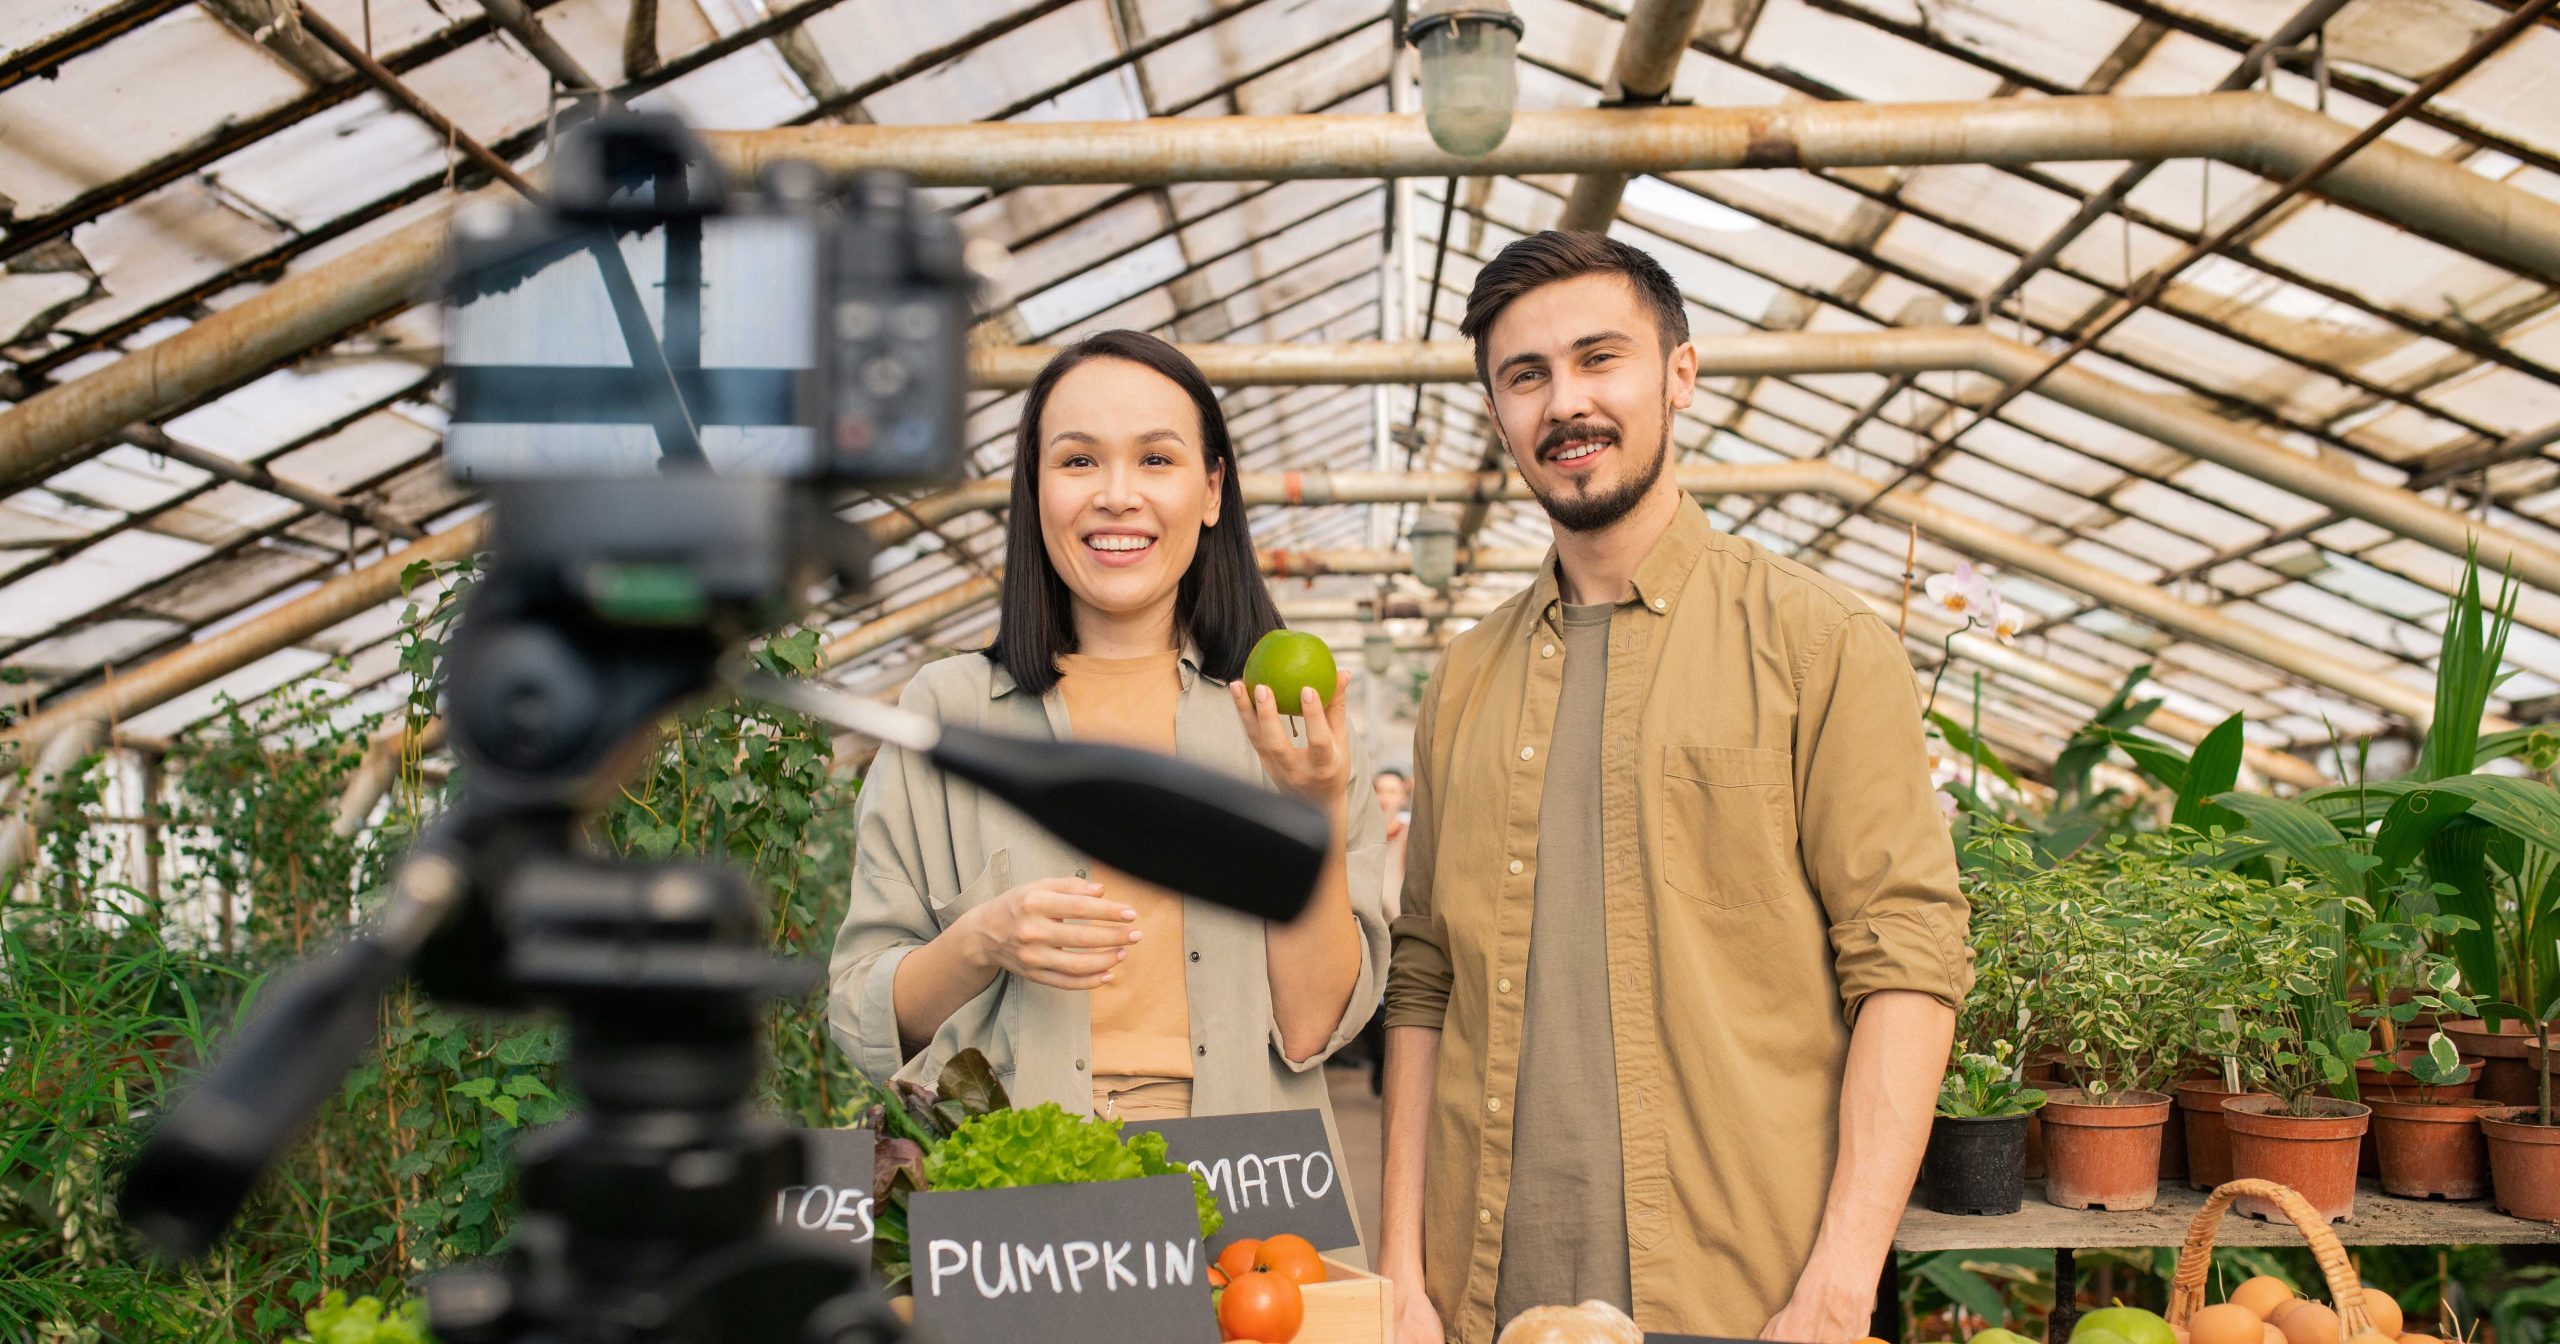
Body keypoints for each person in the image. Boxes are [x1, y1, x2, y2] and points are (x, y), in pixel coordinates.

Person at [1377, 233, 1972, 1344]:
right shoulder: (1464, 679)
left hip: (1743, 1297)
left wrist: (1841, 1285)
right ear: (1499, 415)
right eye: (1526, 376)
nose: (1567, 402)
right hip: (1479, 1294)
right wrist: (1399, 1272)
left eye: (1600, 358)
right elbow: (1424, 981)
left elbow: (1906, 959)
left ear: (1678, 375)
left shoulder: (1815, 642)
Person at [829, 329, 1389, 1141]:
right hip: (1023, 1182)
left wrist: (1315, 805)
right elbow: (861, 1016)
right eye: (1079, 460)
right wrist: (983, 939)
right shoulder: (948, 715)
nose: (1117, 495)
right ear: (1035, 488)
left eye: (1156, 460)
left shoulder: (1290, 717)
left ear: (1210, 491)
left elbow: (1311, 1030)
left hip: (1248, 1192)